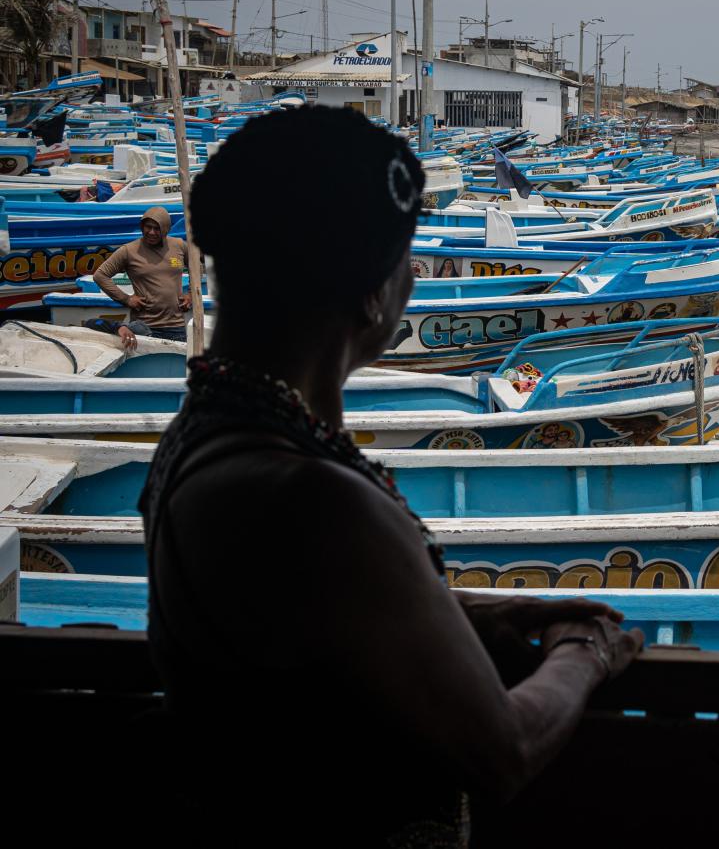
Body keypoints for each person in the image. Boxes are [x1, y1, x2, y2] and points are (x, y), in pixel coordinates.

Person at [137, 107, 642, 841]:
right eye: (406, 258)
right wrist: (586, 651)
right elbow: (504, 750)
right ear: (373, 295)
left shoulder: (198, 441)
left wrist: (462, 614)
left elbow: (299, 625)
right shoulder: (320, 504)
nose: (410, 276)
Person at [90, 206, 191, 345]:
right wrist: (126, 299)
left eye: (157, 228)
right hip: (144, 326)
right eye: (148, 227)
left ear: (166, 229)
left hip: (176, 325)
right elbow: (100, 275)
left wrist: (191, 295)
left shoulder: (179, 245)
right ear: (142, 226)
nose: (151, 232)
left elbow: (197, 267)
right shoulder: (129, 250)